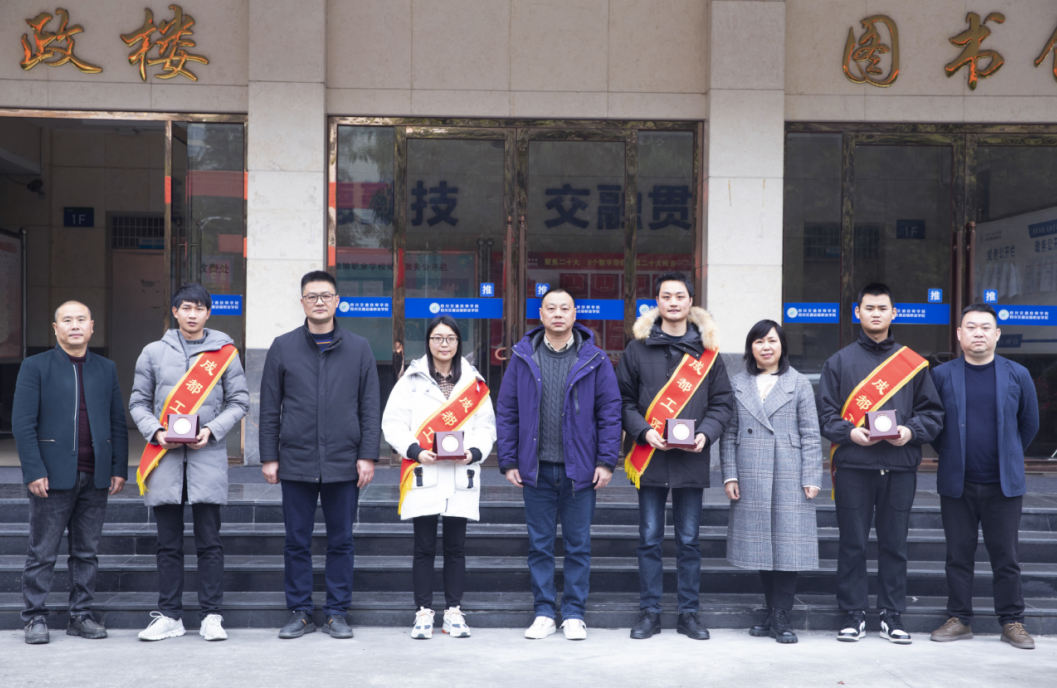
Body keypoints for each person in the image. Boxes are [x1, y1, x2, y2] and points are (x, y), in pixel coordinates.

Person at [819, 283, 944, 644]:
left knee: (895, 544)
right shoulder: (838, 362)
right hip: (854, 466)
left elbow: (933, 413)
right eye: (869, 308)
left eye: (882, 308)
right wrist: (849, 433)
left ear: (894, 313)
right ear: (857, 313)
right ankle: (853, 613)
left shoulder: (913, 364)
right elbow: (825, 414)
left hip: (899, 466)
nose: (876, 313)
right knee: (852, 543)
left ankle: (892, 614)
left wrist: (911, 431)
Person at [259, 270, 380, 640]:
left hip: (344, 460)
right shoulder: (283, 346)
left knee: (341, 541)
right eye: (312, 296)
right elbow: (269, 406)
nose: (319, 302)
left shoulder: (359, 347)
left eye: (326, 295)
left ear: (337, 301)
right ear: (302, 303)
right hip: (296, 460)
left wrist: (368, 454)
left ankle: (336, 612)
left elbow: (370, 406)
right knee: (296, 540)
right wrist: (269, 456)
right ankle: (300, 612)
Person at [496, 287, 622, 641]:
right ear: (541, 315)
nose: (557, 314)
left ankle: (574, 614)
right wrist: (509, 460)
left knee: (578, 545)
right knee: (540, 545)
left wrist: (606, 461)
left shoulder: (594, 358)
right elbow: (507, 411)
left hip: (580, 470)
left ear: (574, 314)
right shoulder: (523, 357)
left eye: (564, 308)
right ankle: (543, 612)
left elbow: (610, 413)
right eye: (550, 308)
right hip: (535, 469)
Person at [616, 271, 734, 641]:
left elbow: (723, 403)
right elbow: (623, 401)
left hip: (691, 460)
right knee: (650, 539)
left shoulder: (708, 353)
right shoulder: (637, 349)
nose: (673, 302)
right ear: (657, 302)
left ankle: (688, 614)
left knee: (689, 541)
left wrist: (705, 434)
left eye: (680, 296)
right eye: (666, 296)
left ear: (690, 302)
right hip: (650, 458)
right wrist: (644, 431)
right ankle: (650, 612)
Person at [129, 283, 248, 642]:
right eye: (186, 308)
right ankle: (170, 616)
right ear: (175, 311)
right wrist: (156, 432)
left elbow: (239, 401)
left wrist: (212, 430)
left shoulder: (224, 353)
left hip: (206, 459)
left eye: (199, 308)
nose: (192, 314)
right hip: (164, 459)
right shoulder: (152, 352)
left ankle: (211, 615)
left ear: (208, 313)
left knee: (209, 543)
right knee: (168, 544)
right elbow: (138, 402)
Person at [13, 301, 128, 644]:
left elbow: (118, 422)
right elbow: (23, 424)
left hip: (95, 476)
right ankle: (35, 617)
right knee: (42, 552)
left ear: (92, 327)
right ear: (55, 328)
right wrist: (33, 470)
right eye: (67, 320)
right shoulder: (36, 366)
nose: (74, 325)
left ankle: (81, 615)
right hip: (51, 476)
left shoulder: (106, 368)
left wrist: (118, 467)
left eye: (81, 320)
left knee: (86, 552)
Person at [929, 304, 1040, 650]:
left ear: (997, 334)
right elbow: (934, 426)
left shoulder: (1017, 374)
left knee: (1006, 556)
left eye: (985, 327)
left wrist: (1008, 453)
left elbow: (1029, 424)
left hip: (1003, 485)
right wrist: (952, 453)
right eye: (971, 327)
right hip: (957, 482)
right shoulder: (941, 375)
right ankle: (959, 619)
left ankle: (1012, 621)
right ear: (959, 334)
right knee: (957, 555)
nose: (978, 333)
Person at [382, 316, 496, 639]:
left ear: (458, 343)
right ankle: (423, 612)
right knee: (424, 547)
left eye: (450, 338)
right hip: (424, 472)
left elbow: (487, 427)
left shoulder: (474, 383)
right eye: (437, 338)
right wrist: (415, 451)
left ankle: (453, 612)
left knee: (456, 547)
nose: (444, 344)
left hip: (461, 474)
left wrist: (474, 452)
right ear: (428, 342)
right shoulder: (411, 381)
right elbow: (392, 423)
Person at [721, 320, 822, 644]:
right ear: (750, 348)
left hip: (790, 471)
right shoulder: (737, 383)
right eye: (759, 341)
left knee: (788, 544)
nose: (766, 347)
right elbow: (729, 434)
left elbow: (811, 434)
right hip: (751, 471)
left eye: (772, 341)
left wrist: (811, 476)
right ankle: (771, 609)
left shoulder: (798, 383)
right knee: (761, 544)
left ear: (782, 346)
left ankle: (782, 614)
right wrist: (730, 474)